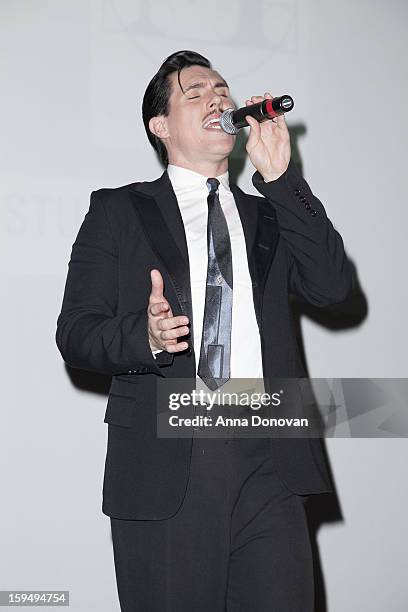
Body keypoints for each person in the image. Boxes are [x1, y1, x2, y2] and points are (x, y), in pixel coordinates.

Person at [56, 50, 352, 611]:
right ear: (160, 126)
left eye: (222, 90)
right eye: (196, 92)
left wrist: (283, 181)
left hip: (272, 456)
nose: (219, 98)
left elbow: (333, 288)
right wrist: (142, 336)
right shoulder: (117, 211)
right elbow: (75, 332)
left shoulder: (271, 214)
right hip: (171, 460)